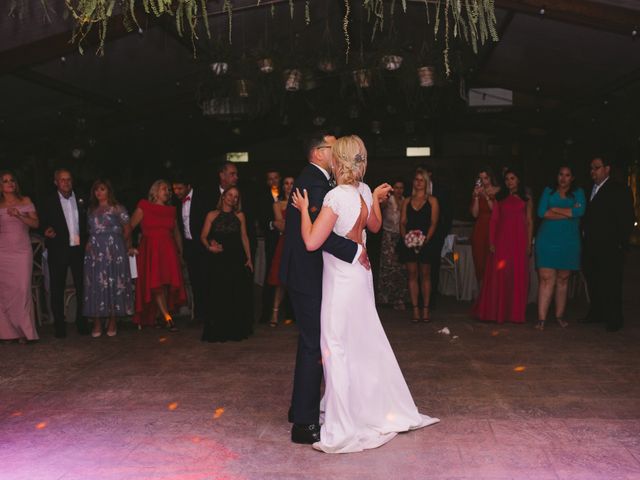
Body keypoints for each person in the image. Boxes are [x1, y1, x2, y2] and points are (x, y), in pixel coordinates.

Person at [291, 135, 439, 453]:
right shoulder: (362, 191)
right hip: (361, 275)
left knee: (335, 345)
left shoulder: (334, 197)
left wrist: (304, 210)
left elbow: (312, 242)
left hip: (341, 281)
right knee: (362, 340)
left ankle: (346, 419)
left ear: (339, 160)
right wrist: (375, 198)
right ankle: (370, 405)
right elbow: (373, 227)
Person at [279, 131, 369, 445]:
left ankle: (299, 408)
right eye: (332, 148)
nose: (338, 153)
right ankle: (303, 424)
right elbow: (321, 237)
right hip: (307, 275)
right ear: (319, 153)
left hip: (309, 274)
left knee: (313, 343)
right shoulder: (313, 182)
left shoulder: (318, 181)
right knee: (313, 346)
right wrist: (356, 252)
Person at [580, 155, 635, 332]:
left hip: (610, 245)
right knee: (593, 279)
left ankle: (614, 319)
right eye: (591, 168)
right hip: (590, 245)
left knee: (611, 282)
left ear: (607, 169)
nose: (593, 172)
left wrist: (621, 242)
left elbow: (627, 217)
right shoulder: (588, 188)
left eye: (596, 168)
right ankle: (597, 312)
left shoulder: (619, 189)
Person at [473, 168, 533, 324]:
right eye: (507, 179)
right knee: (501, 275)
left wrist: (528, 243)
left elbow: (529, 222)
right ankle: (497, 312)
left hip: (519, 241)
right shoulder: (499, 198)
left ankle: (515, 313)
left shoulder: (526, 198)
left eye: (512, 178)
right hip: (502, 241)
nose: (509, 181)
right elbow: (494, 220)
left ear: (518, 180)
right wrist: (492, 241)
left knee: (518, 275)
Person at [39, 169, 90, 338]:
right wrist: (45, 230)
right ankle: (59, 326)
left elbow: (87, 222)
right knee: (57, 288)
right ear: (56, 182)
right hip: (58, 249)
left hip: (78, 249)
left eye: (68, 179)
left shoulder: (82, 198)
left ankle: (82, 322)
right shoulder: (48, 201)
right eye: (62, 180)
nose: (66, 182)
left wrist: (88, 240)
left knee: (82, 286)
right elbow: (40, 222)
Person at [130, 180, 186, 331]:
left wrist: (180, 253)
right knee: (156, 284)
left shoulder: (171, 210)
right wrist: (129, 246)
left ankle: (160, 316)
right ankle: (167, 318)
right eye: (164, 189)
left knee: (167, 284)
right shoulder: (144, 206)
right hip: (151, 249)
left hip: (168, 249)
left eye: (168, 189)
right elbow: (130, 226)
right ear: (154, 191)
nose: (167, 191)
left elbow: (176, 233)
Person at [534, 166, 586, 331]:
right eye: (560, 174)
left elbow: (580, 211)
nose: (563, 178)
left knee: (563, 279)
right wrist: (568, 212)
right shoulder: (548, 191)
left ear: (573, 177)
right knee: (546, 279)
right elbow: (542, 212)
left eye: (567, 175)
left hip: (569, 242)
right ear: (556, 176)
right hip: (547, 241)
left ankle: (559, 316)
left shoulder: (579, 193)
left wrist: (555, 209)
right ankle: (541, 319)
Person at [199, 186, 254, 342]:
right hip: (218, 259)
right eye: (230, 195)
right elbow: (203, 236)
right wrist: (210, 247)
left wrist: (249, 258)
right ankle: (219, 331)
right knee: (219, 294)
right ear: (223, 196)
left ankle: (235, 330)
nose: (232, 198)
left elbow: (244, 237)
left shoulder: (240, 215)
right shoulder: (212, 214)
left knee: (235, 294)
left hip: (236, 258)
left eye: (236, 196)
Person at [83, 179, 134, 337]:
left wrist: (119, 244)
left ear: (108, 191)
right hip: (94, 252)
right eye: (96, 190)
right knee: (96, 284)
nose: (99, 192)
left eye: (102, 189)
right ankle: (97, 322)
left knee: (113, 282)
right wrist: (89, 243)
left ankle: (112, 320)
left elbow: (128, 228)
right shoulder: (91, 210)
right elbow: (91, 230)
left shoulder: (118, 208)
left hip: (114, 251)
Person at [0, 171, 39, 343]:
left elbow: (36, 223)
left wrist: (19, 215)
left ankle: (27, 332)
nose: (9, 183)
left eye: (11, 180)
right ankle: (8, 333)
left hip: (22, 251)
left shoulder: (26, 201)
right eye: (5, 181)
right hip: (2, 252)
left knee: (22, 289)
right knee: (5, 293)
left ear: (16, 184)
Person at [398, 168, 440, 323]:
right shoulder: (407, 201)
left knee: (426, 275)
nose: (418, 182)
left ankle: (426, 309)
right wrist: (407, 238)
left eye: (422, 180)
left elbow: (434, 223)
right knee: (412, 275)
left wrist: (424, 240)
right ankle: (415, 309)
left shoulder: (432, 201)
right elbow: (402, 222)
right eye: (416, 179)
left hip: (426, 242)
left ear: (426, 182)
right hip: (409, 242)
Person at [172, 178, 215, 323]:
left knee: (207, 280)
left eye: (180, 188)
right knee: (194, 280)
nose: (176, 192)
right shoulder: (177, 203)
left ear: (188, 186)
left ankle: (211, 313)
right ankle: (199, 314)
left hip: (203, 245)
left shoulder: (202, 198)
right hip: (189, 246)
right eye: (175, 189)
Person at [376, 179, 408, 310]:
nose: (399, 190)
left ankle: (399, 298)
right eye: (397, 187)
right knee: (388, 266)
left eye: (401, 187)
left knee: (400, 268)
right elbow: (380, 207)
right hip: (388, 235)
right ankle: (385, 298)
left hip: (401, 236)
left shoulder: (406, 200)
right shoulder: (388, 200)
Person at [266, 175, 294, 327]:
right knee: (280, 280)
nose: (289, 186)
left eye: (291, 183)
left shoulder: (300, 203)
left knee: (297, 279)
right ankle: (274, 313)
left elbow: (283, 224)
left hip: (298, 243)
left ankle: (296, 314)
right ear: (283, 186)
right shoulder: (277, 204)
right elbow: (282, 226)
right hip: (284, 243)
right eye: (286, 183)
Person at [423, 164, 453, 308]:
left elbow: (447, 213)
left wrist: (442, 232)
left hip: (436, 235)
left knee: (433, 266)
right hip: (418, 235)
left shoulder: (441, 190)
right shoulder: (414, 190)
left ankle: (431, 299)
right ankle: (418, 299)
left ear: (430, 174)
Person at [258, 169, 282, 324]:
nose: (273, 181)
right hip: (272, 240)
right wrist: (273, 224)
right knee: (271, 275)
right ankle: (266, 313)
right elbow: (261, 220)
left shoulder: (288, 195)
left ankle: (288, 313)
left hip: (287, 241)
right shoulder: (263, 198)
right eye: (270, 179)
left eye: (275, 178)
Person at [470, 167, 500, 283]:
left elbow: (495, 210)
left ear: (491, 178)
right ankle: (482, 295)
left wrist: (487, 196)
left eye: (486, 178)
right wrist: (477, 197)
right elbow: (474, 214)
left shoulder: (498, 190)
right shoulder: (476, 192)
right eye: (480, 178)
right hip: (480, 228)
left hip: (495, 227)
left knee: (493, 262)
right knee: (480, 262)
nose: (483, 181)